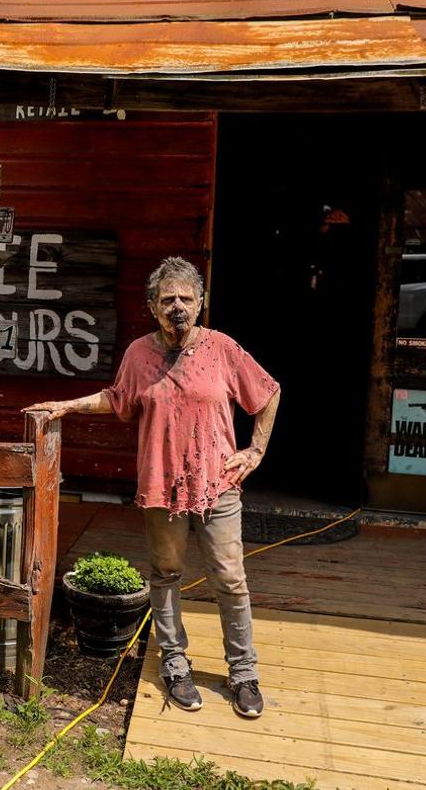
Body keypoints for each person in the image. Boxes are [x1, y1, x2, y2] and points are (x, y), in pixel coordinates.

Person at [25, 257, 281, 718]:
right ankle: (175, 664)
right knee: (165, 575)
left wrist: (255, 451)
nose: (177, 306)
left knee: (230, 578)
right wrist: (68, 405)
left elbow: (268, 392)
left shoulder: (222, 348)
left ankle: (243, 673)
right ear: (152, 307)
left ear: (201, 302)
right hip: (162, 487)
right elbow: (118, 398)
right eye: (168, 299)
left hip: (217, 484)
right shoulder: (139, 354)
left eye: (186, 297)